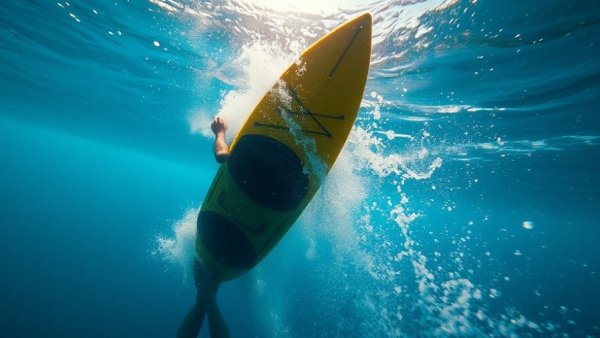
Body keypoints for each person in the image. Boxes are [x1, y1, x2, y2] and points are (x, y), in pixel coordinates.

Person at [177, 116, 230, 338]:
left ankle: (206, 296)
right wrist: (220, 133)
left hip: (226, 229)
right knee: (204, 298)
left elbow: (223, 157)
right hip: (228, 230)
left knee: (202, 300)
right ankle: (207, 295)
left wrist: (220, 134)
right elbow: (222, 156)